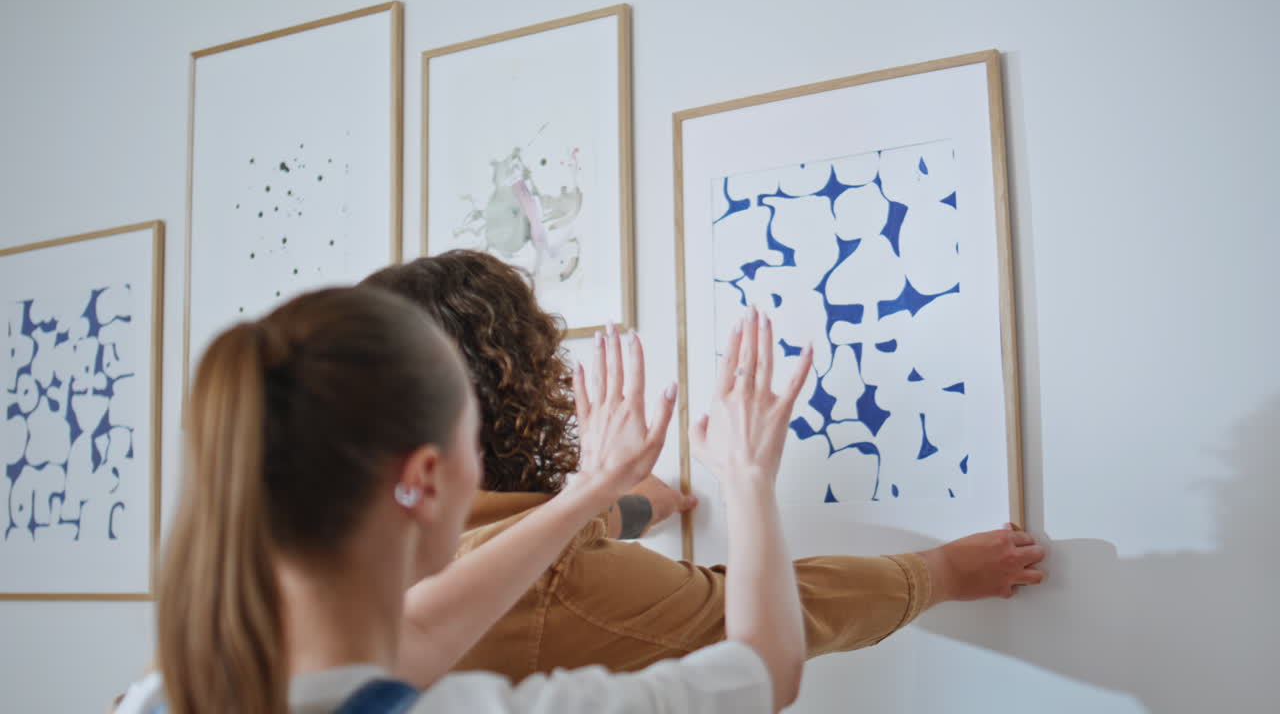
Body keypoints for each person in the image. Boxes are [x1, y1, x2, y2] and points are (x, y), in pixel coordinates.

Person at [361, 251, 1047, 683]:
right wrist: (945, 572)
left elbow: (510, 541)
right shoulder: (549, 586)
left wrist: (626, 504)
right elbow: (761, 641)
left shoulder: (351, 557)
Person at [120, 286, 811, 713]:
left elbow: (418, 633)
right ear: (422, 478)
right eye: (469, 443)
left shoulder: (163, 693)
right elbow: (767, 671)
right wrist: (748, 476)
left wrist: (591, 493)